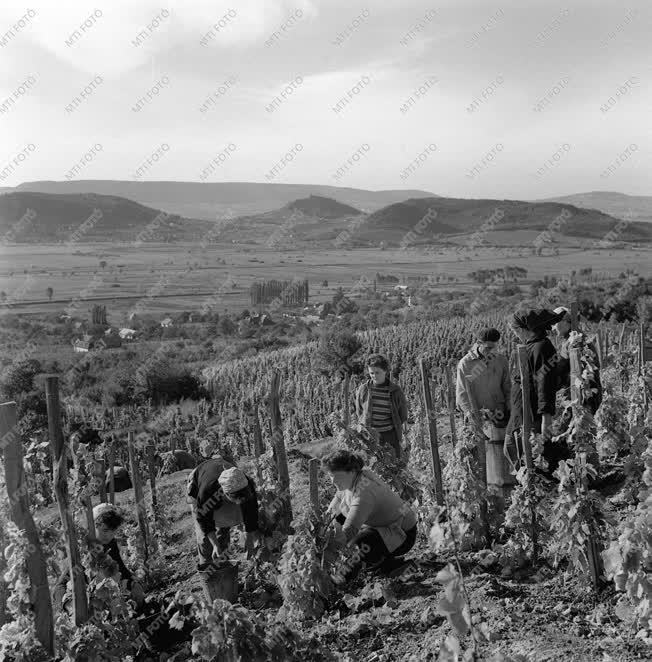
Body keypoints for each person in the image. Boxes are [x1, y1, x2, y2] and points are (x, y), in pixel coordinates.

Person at [324, 450, 417, 585]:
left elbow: (349, 529)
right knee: (342, 520)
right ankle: (383, 563)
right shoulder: (352, 481)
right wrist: (325, 527)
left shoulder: (365, 492)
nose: (333, 481)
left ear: (351, 471)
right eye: (330, 476)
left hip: (403, 534)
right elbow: (336, 503)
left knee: (357, 546)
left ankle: (340, 582)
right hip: (380, 525)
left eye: (336, 476)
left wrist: (332, 550)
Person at [186, 444, 260, 598]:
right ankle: (210, 582)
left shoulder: (246, 485)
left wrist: (250, 539)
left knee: (223, 533)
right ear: (225, 494)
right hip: (199, 479)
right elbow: (203, 519)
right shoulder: (208, 491)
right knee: (205, 540)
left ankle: (223, 573)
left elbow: (251, 514)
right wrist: (214, 545)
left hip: (223, 478)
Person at [505, 308, 568, 476]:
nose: (515, 334)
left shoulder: (541, 347)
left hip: (531, 413)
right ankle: (537, 489)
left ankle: (539, 490)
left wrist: (546, 418)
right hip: (521, 412)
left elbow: (545, 385)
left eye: (515, 330)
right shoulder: (531, 346)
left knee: (526, 453)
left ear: (526, 328)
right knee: (517, 451)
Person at [54, 503, 145, 611]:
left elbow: (121, 569)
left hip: (103, 600)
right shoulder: (82, 551)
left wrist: (133, 584)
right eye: (105, 530)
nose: (109, 535)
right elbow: (60, 587)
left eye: (113, 531)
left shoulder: (110, 544)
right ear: (92, 526)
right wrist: (68, 606)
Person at [355, 354, 409, 459]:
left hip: (389, 435)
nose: (374, 376)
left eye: (377, 372)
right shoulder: (363, 389)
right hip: (369, 436)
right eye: (372, 373)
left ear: (385, 371)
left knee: (393, 464)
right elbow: (359, 411)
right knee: (373, 466)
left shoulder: (395, 391)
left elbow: (402, 414)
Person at [456, 327, 511, 429]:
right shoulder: (466, 363)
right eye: (488, 348)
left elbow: (507, 386)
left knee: (500, 443)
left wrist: (510, 407)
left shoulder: (501, 360)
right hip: (477, 415)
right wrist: (470, 413)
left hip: (499, 414)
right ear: (479, 343)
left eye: (494, 348)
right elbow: (461, 393)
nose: (491, 351)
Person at [552, 306, 603, 415]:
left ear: (566, 322)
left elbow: (563, 368)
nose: (553, 327)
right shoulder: (572, 339)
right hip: (580, 395)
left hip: (583, 397)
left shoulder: (576, 342)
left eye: (555, 323)